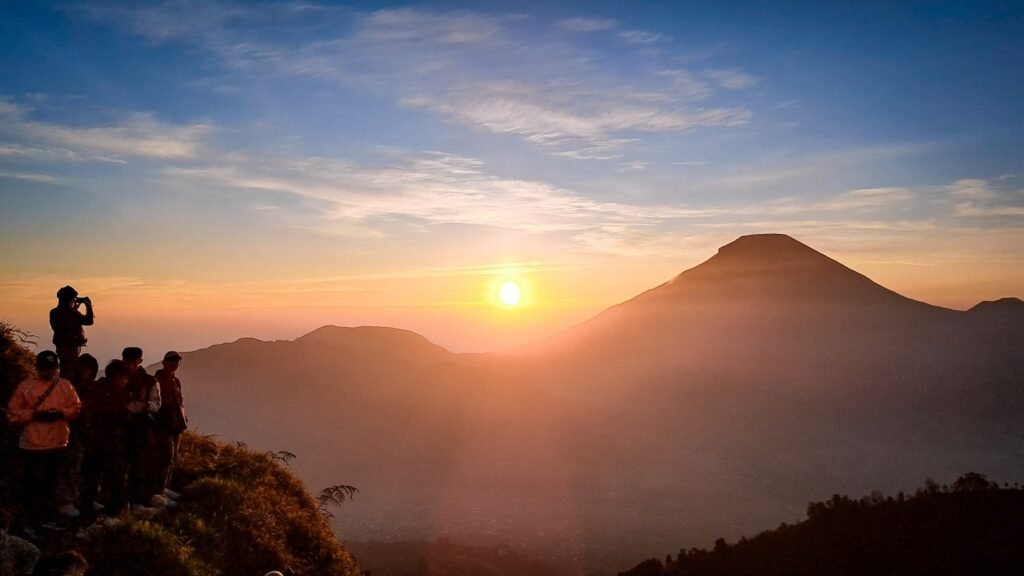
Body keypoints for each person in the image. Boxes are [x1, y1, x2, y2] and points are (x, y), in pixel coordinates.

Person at [5, 351, 81, 537]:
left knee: (51, 485)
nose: (49, 372)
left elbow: (76, 408)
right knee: (32, 487)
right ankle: (30, 522)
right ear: (38, 368)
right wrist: (35, 415)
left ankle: (46, 519)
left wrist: (60, 413)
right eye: (46, 369)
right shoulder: (27, 387)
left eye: (52, 369)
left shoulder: (65, 386)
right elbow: (12, 414)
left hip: (57, 444)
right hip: (32, 445)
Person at [78, 360, 132, 522]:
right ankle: (110, 514)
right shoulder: (111, 394)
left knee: (91, 480)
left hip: (96, 444)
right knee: (113, 479)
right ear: (116, 377)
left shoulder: (96, 390)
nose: (125, 382)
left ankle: (88, 512)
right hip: (107, 444)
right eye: (123, 378)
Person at [56, 354, 99, 519]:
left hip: (89, 433)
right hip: (73, 432)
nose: (86, 372)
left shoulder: (91, 387)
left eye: (89, 369)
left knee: (87, 467)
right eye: (84, 368)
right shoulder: (71, 387)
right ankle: (68, 501)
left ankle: (83, 499)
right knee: (73, 466)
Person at [121, 347, 162, 509]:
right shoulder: (117, 377)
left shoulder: (150, 381)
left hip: (141, 427)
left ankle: (136, 498)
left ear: (140, 362)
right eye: (128, 362)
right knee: (121, 464)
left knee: (139, 464)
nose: (131, 365)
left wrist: (142, 406)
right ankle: (121, 498)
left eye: (134, 362)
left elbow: (157, 404)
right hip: (122, 426)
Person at [153, 351, 187, 500]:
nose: (174, 364)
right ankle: (159, 489)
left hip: (176, 424)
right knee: (165, 457)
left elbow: (179, 402)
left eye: (177, 361)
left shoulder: (175, 381)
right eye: (171, 361)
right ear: (164, 362)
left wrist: (183, 418)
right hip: (164, 424)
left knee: (172, 458)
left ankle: (165, 487)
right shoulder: (157, 380)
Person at [48, 286, 94, 376]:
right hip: (70, 347)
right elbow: (89, 321)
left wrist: (74, 308)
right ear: (68, 300)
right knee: (70, 369)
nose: (74, 301)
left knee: (65, 367)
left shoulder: (54, 312)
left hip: (61, 346)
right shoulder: (72, 313)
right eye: (73, 299)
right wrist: (88, 306)